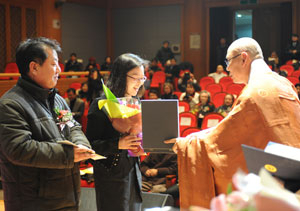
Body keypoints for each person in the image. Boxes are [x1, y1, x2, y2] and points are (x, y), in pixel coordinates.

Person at [165, 37, 300, 209]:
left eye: (228, 61)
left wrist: (185, 142)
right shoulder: (284, 84)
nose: (227, 68)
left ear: (244, 58)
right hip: (293, 177)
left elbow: (220, 141)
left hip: (271, 183)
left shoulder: (253, 94)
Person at [0, 37, 96, 211]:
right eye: (54, 64)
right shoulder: (10, 104)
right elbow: (19, 149)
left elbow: (71, 126)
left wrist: (80, 144)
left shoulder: (57, 100)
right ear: (34, 67)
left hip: (66, 198)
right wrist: (69, 155)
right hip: (33, 203)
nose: (59, 70)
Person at [86, 53, 146, 211]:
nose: (139, 83)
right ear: (120, 76)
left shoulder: (137, 102)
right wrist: (118, 144)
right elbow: (90, 146)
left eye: (143, 78)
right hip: (111, 176)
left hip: (133, 173)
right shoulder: (100, 104)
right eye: (135, 77)